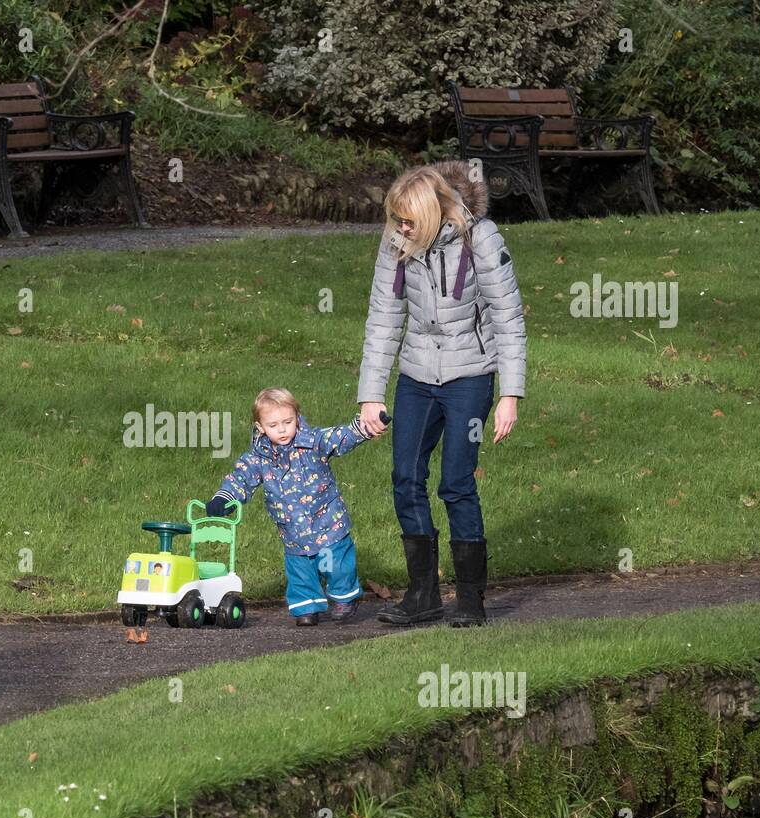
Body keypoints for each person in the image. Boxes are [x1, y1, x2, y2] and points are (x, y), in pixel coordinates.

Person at [356, 159, 527, 627]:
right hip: (416, 375)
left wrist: (510, 394)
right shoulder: (398, 239)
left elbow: (508, 320)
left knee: (456, 483)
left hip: (469, 376)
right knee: (405, 478)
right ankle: (422, 594)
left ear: (434, 213)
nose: (401, 229)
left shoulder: (482, 239)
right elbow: (383, 319)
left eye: (409, 221)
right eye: (397, 220)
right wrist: (370, 394)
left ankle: (471, 599)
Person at [206, 388, 376, 626]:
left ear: (296, 417)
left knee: (337, 566)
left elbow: (340, 436)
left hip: (328, 522)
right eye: (274, 425)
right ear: (261, 427)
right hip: (293, 533)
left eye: (288, 421)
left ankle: (344, 598)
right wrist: (223, 499)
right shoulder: (258, 459)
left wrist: (365, 427)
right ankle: (307, 607)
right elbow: (240, 478)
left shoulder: (313, 443)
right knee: (301, 572)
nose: (283, 429)